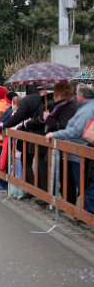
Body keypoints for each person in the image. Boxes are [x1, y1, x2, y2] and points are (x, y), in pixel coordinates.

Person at [46, 83, 94, 213]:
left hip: (80, 151)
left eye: (77, 94)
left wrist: (55, 134)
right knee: (85, 183)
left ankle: (87, 214)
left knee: (84, 184)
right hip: (81, 150)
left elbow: (76, 131)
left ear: (81, 96)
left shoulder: (86, 110)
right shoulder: (85, 107)